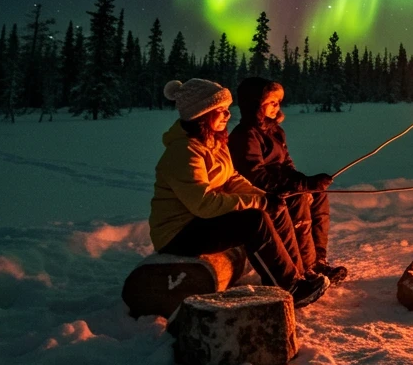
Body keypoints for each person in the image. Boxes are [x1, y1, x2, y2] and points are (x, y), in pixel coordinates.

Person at [149, 78, 329, 308]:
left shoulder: (213, 142)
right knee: (253, 221)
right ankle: (288, 287)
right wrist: (257, 202)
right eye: (220, 110)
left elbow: (233, 179)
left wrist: (264, 198)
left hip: (201, 221)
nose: (227, 115)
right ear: (201, 113)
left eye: (226, 109)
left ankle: (298, 275)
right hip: (178, 232)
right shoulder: (183, 152)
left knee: (275, 205)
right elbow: (203, 203)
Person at [229, 77, 348, 286]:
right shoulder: (246, 135)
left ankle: (319, 261)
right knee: (298, 200)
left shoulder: (275, 131)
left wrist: (307, 183)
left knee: (318, 196)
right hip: (263, 192)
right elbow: (255, 176)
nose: (277, 107)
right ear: (256, 104)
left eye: (278, 102)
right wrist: (299, 187)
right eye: (272, 102)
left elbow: (288, 166)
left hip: (281, 185)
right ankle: (305, 269)